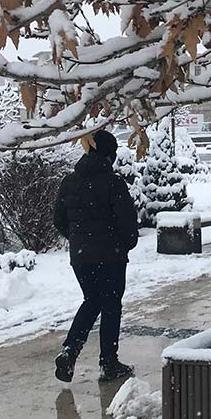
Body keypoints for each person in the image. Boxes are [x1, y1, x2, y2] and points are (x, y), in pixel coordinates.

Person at [53, 130, 138, 383]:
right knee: (111, 306)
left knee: (91, 301)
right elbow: (127, 223)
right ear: (109, 155)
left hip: (81, 258)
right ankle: (108, 363)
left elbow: (59, 220)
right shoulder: (113, 183)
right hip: (111, 257)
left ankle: (70, 350)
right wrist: (125, 244)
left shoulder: (69, 182)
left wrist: (79, 240)